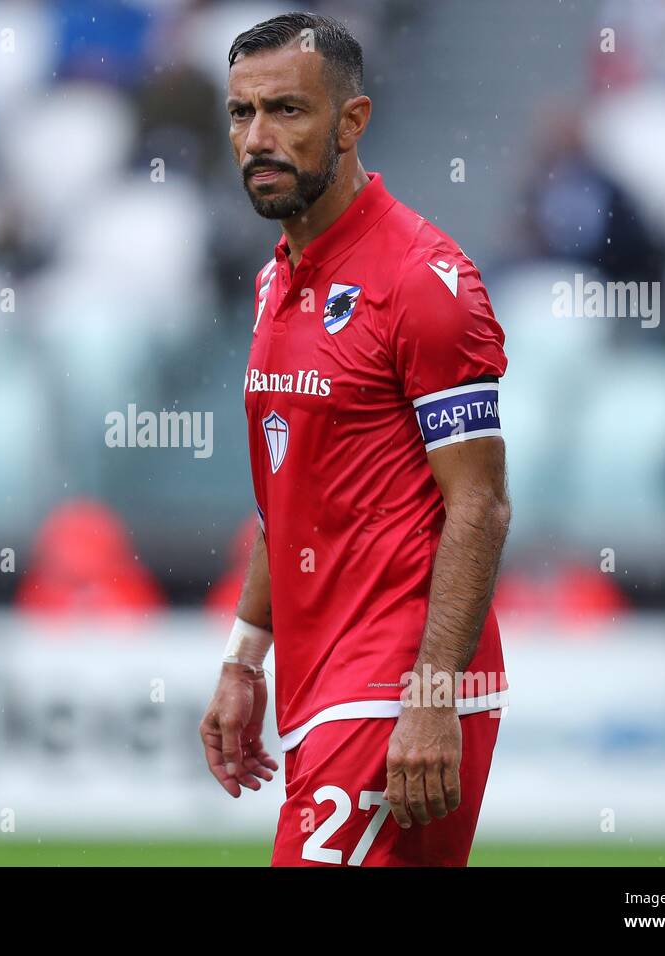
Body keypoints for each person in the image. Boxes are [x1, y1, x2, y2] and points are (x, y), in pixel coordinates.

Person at [198, 13, 512, 866]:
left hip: (397, 690)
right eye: (240, 114)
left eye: (287, 112)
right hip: (321, 681)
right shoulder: (274, 282)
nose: (257, 138)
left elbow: (479, 505)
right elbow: (288, 497)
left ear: (351, 121)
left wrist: (432, 696)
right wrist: (244, 656)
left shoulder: (424, 282)